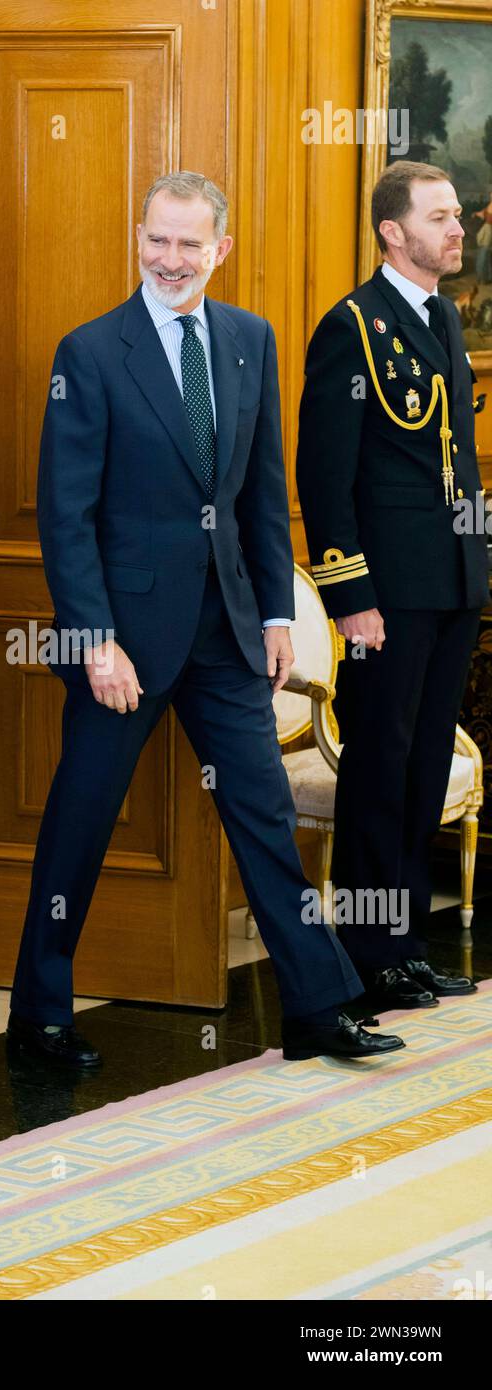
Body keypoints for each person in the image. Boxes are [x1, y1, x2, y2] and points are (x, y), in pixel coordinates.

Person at [7, 171, 405, 1066]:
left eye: (190, 244)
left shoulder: (249, 341)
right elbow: (64, 516)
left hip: (226, 632)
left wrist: (274, 613)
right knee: (82, 821)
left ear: (220, 249)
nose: (170, 259)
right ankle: (38, 1015)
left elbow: (263, 493)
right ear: (137, 236)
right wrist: (93, 640)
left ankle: (316, 1005)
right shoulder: (91, 351)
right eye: (157, 240)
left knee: (262, 815)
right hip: (123, 645)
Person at [296, 161, 486, 1012]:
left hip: (448, 585)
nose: (458, 231)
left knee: (420, 767)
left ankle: (405, 945)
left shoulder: (442, 316)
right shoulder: (353, 327)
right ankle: (370, 954)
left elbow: (458, 460)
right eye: (441, 218)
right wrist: (350, 595)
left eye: (457, 217)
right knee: (378, 770)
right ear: (392, 231)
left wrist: (475, 570)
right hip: (386, 596)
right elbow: (325, 476)